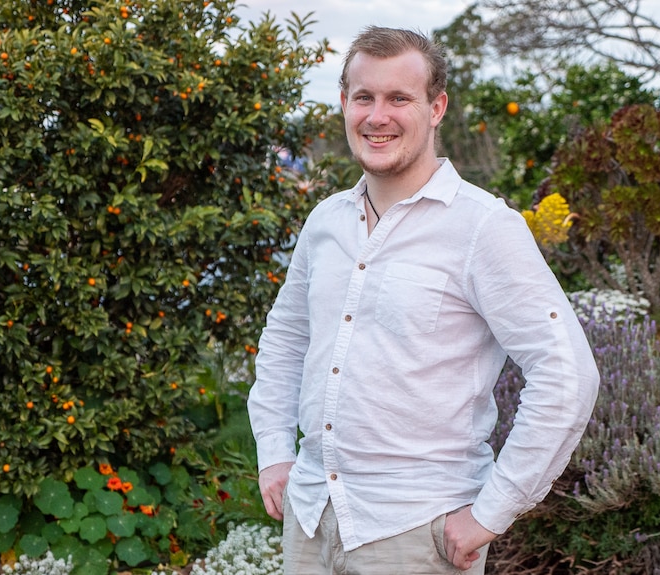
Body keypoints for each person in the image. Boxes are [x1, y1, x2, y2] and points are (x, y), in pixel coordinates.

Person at [247, 26, 600, 575]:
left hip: (418, 534)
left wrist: (492, 512)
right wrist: (274, 451)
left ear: (436, 108)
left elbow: (567, 374)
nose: (377, 116)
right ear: (344, 103)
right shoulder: (325, 223)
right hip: (311, 519)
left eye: (399, 99)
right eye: (364, 97)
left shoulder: (485, 228)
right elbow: (286, 342)